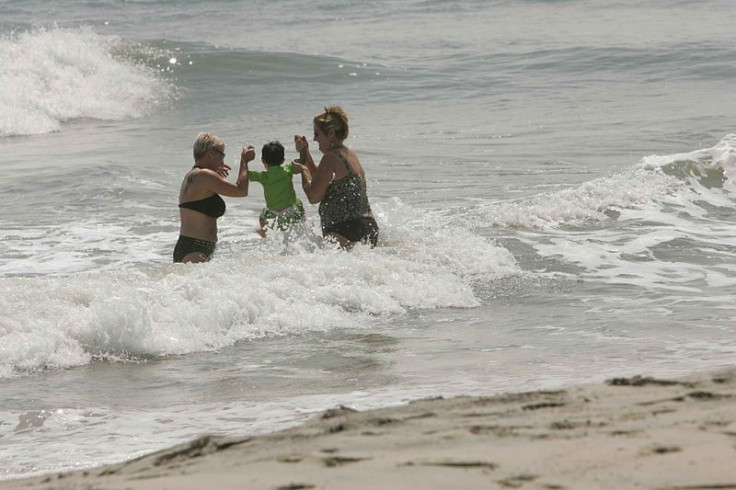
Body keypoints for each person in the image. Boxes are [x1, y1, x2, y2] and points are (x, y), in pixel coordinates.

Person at [294, 106, 379, 249]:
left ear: (331, 133)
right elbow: (320, 181)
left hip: (345, 231)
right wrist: (305, 153)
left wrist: (302, 170)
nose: (314, 139)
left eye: (317, 134)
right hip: (367, 227)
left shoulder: (331, 157)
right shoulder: (348, 153)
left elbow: (314, 196)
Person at [174, 132, 256, 263]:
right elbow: (240, 191)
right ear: (211, 152)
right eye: (222, 155)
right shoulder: (203, 175)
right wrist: (244, 161)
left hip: (193, 246)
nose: (223, 161)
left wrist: (213, 171)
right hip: (195, 248)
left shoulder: (194, 175)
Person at [248, 140, 306, 237]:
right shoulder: (288, 170)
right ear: (283, 160)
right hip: (291, 212)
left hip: (272, 214)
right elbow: (303, 162)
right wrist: (302, 149)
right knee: (299, 203)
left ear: (263, 160)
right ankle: (304, 225)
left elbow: (245, 175)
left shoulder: (263, 176)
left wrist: (245, 160)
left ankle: (263, 232)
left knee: (262, 216)